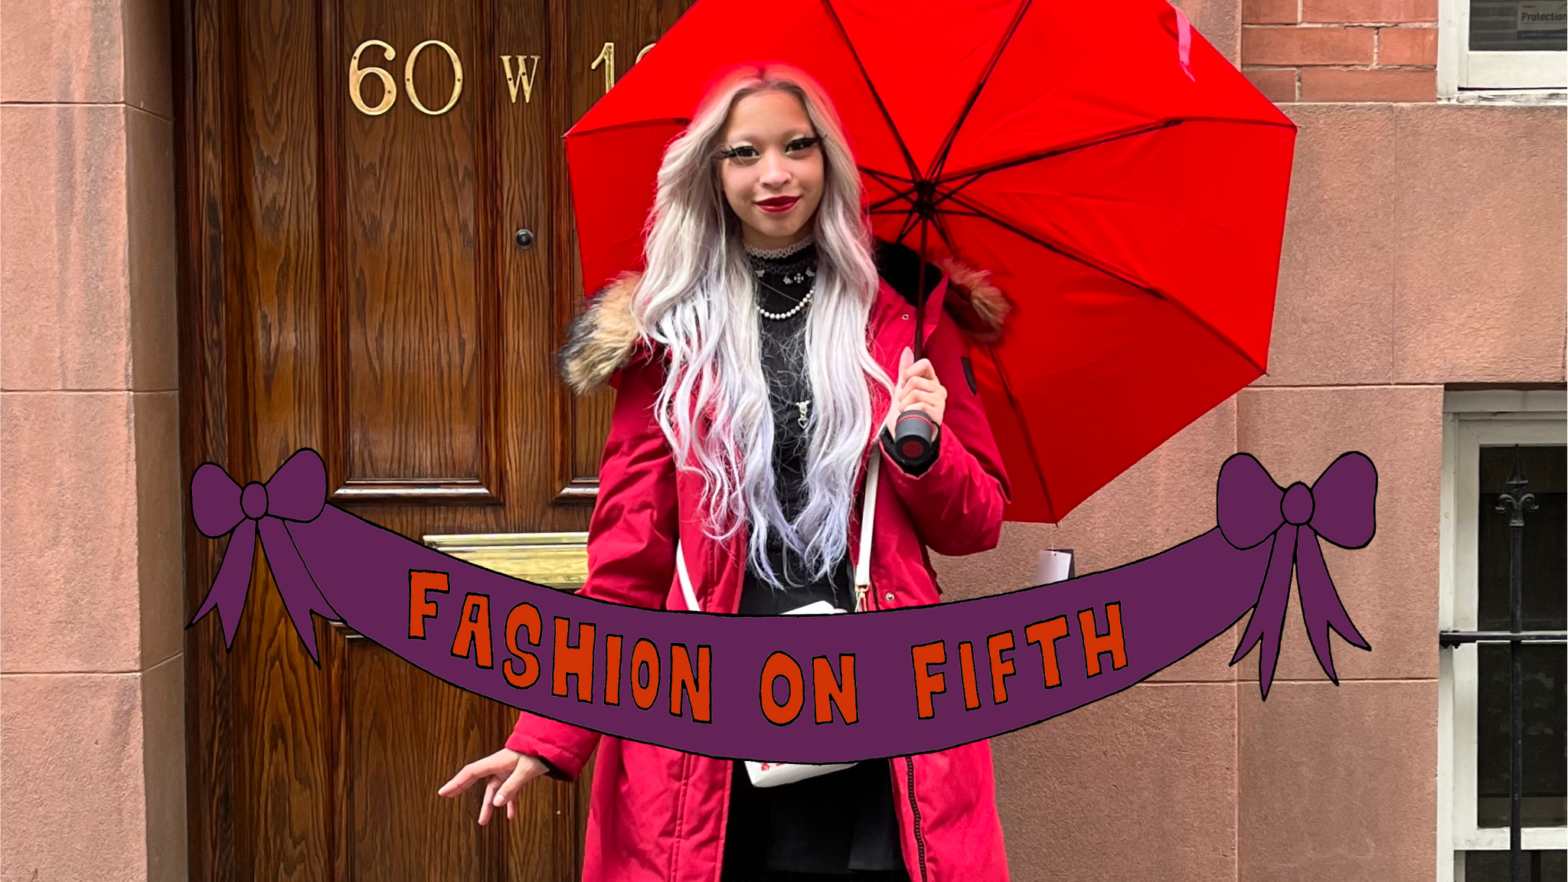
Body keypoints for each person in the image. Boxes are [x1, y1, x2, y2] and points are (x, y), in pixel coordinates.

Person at [439, 62, 1013, 882]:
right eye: (744, 153)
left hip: (880, 702)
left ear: (830, 162)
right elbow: (627, 566)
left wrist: (919, 447)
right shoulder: (670, 337)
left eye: (796, 147)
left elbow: (976, 522)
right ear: (710, 171)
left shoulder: (906, 318)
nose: (773, 174)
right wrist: (545, 736)